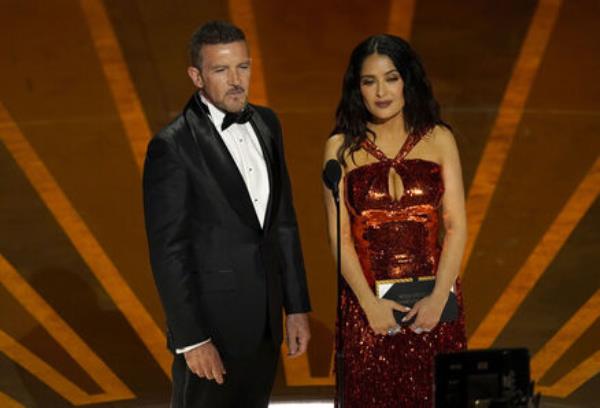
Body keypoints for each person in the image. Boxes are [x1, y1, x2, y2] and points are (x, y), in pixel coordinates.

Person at [143, 21, 311, 408]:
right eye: (221, 70)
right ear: (196, 76)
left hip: (265, 325)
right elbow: (169, 252)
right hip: (211, 333)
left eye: (243, 67)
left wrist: (296, 306)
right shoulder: (172, 147)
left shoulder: (268, 123)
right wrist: (192, 338)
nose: (236, 81)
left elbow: (282, 221)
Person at [323, 34, 467, 407]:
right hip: (367, 308)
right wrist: (370, 306)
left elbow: (455, 226)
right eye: (369, 81)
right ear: (357, 88)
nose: (381, 91)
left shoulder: (439, 139)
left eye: (391, 78)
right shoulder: (340, 147)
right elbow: (337, 236)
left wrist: (438, 299)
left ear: (408, 80)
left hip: (434, 306)